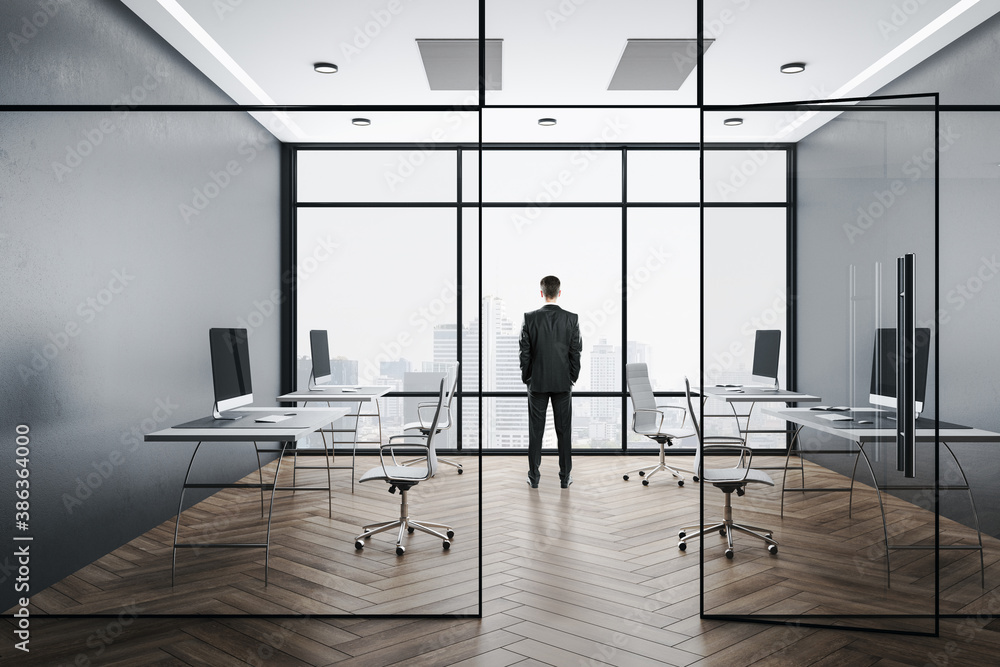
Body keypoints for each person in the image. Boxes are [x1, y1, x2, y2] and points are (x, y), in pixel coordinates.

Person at [518, 276, 583, 488]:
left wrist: (527, 377)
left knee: (535, 432)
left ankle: (534, 478)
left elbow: (524, 353)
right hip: (563, 383)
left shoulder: (529, 318)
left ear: (541, 293)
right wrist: (572, 377)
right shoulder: (571, 318)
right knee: (564, 432)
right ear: (559, 293)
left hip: (537, 383)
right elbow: (576, 352)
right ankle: (565, 478)